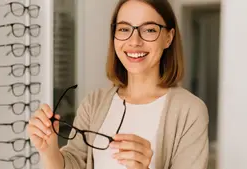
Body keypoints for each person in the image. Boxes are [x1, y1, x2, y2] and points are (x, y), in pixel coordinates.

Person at [27, 0, 209, 169]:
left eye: (149, 30)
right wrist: (49, 149)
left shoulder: (190, 111)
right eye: (124, 29)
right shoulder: (94, 102)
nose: (134, 41)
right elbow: (74, 162)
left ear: (168, 37)